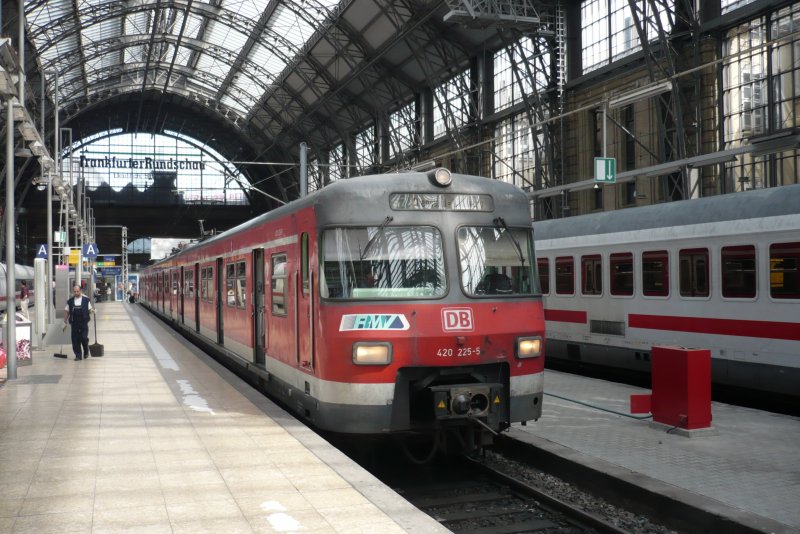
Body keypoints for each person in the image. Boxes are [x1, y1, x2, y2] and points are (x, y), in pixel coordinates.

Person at [64, 284, 93, 361]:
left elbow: (90, 310)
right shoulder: (70, 301)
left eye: (77, 291)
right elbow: (67, 311)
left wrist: (92, 311)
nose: (76, 293)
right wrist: (65, 321)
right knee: (75, 340)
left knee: (83, 338)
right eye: (74, 291)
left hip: (83, 323)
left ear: (80, 291)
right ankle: (78, 355)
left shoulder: (86, 300)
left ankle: (86, 350)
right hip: (74, 323)